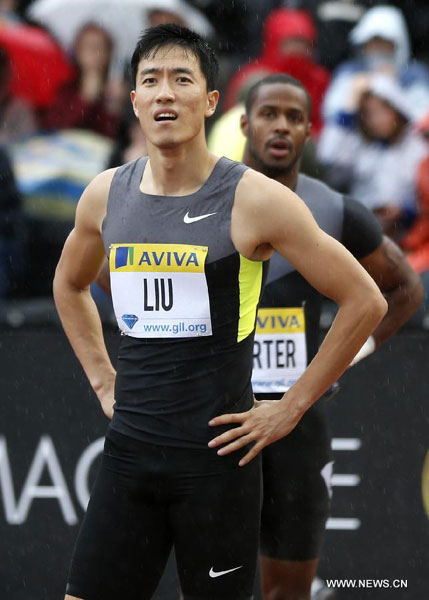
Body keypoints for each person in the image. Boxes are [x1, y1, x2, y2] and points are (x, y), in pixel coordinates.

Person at [53, 25, 387, 600]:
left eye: (182, 79)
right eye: (150, 81)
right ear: (133, 100)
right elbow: (69, 284)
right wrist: (103, 378)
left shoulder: (255, 199)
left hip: (217, 469)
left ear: (211, 102)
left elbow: (367, 299)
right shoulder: (105, 195)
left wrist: (290, 406)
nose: (165, 94)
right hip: (128, 458)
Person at [239, 73, 423, 600]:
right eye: (270, 113)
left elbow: (405, 289)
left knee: (288, 592)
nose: (281, 126)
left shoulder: (336, 211)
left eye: (295, 117)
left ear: (309, 131)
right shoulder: (210, 200)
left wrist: (342, 361)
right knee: (209, 588)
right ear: (246, 123)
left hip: (298, 422)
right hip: (222, 420)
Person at [318, 74, 427, 239]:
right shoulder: (359, 144)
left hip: (411, 235)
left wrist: (404, 213)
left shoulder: (419, 146)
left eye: (382, 111)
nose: (376, 120)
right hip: (363, 235)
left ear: (396, 108)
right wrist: (349, 108)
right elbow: (327, 156)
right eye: (369, 114)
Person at [323, 4, 429, 123]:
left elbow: (422, 123)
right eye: (373, 42)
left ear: (397, 45)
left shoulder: (414, 74)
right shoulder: (349, 71)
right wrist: (352, 101)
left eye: (384, 43)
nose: (378, 49)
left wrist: (392, 89)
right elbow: (331, 120)